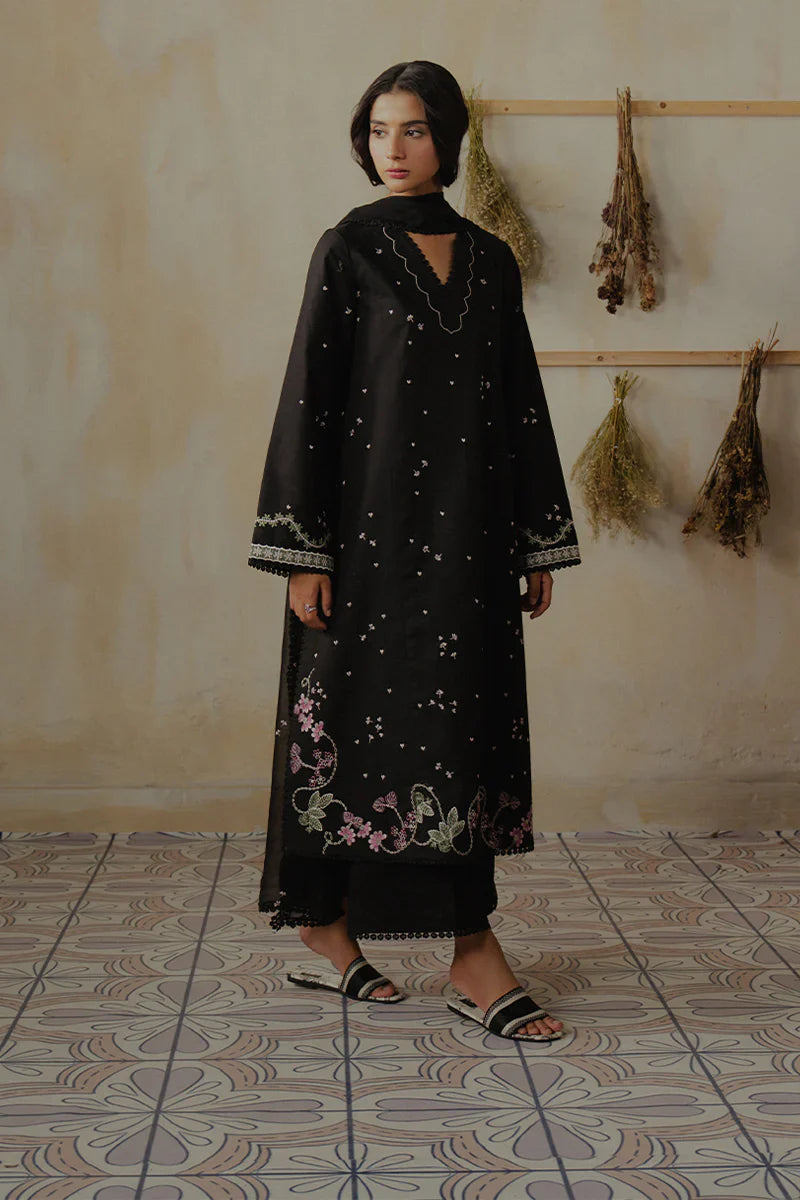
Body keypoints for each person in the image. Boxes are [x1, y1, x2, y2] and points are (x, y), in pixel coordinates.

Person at [247, 61, 581, 1041]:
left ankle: (455, 945)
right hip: (363, 545)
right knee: (346, 734)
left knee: (458, 738)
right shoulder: (346, 249)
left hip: (468, 543)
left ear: (448, 139)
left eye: (414, 130)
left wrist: (535, 539)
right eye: (379, 130)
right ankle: (338, 929)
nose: (392, 149)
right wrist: (304, 552)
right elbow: (307, 401)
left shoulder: (490, 260)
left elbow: (519, 403)